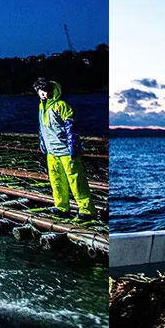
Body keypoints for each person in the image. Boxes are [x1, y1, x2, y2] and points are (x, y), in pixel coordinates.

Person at [34, 77, 96, 221]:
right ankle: (62, 207)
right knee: (56, 180)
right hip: (51, 152)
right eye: (40, 91)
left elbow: (71, 126)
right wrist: (42, 142)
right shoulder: (41, 107)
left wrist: (73, 145)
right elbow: (42, 128)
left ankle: (87, 209)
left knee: (76, 180)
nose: (43, 94)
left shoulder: (61, 105)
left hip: (66, 152)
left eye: (45, 91)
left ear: (51, 91)